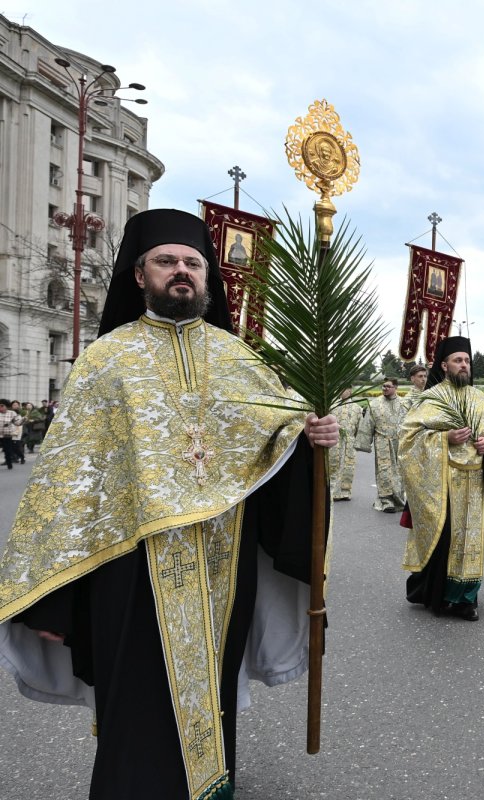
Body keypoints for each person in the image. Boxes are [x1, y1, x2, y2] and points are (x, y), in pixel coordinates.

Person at [0, 208, 339, 799]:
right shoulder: (107, 360)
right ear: (139, 275)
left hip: (222, 567)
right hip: (129, 568)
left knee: (213, 690)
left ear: (208, 278)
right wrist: (54, 604)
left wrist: (313, 441)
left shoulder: (241, 360)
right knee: (135, 701)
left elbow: (281, 445)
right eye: (166, 262)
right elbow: (66, 486)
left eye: (192, 263)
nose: (181, 272)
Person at [399, 337, 484, 621]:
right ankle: (441, 593)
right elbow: (408, 440)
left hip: (476, 485)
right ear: (444, 365)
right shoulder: (432, 398)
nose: (464, 365)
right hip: (444, 484)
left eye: (467, 361)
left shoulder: (480, 399)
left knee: (471, 542)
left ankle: (467, 599)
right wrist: (444, 438)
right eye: (457, 360)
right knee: (447, 541)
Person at [356, 377, 406, 512]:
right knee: (384, 472)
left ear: (396, 388)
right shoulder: (375, 404)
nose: (385, 388)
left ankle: (399, 499)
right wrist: (363, 443)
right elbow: (368, 424)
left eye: (388, 386)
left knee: (400, 472)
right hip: (382, 442)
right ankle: (386, 501)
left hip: (400, 442)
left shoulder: (405, 403)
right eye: (383, 386)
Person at [330, 388, 362, 501]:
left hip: (349, 440)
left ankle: (345, 492)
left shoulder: (357, 408)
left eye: (346, 390)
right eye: (341, 390)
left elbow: (359, 427)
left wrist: (355, 440)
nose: (343, 392)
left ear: (350, 391)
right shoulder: (332, 406)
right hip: (334, 439)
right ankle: (332, 491)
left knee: (348, 466)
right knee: (333, 465)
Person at [0, 400, 19, 469]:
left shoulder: (12, 413)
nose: (0, 407)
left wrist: (23, 420)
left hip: (6, 434)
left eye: (2, 405)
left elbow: (17, 423)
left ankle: (9, 463)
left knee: (7, 450)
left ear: (6, 406)